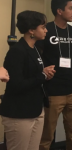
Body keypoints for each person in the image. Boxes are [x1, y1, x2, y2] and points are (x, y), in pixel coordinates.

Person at [1, 10, 55, 150]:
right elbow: (16, 84)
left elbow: (35, 76)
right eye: (43, 27)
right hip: (19, 112)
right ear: (31, 30)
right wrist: (42, 75)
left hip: (36, 108)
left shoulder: (35, 49)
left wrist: (46, 75)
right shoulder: (17, 51)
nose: (46, 30)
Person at [39, 0, 72, 150]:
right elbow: (38, 57)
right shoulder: (46, 31)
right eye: (70, 8)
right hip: (52, 91)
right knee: (46, 135)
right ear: (59, 11)